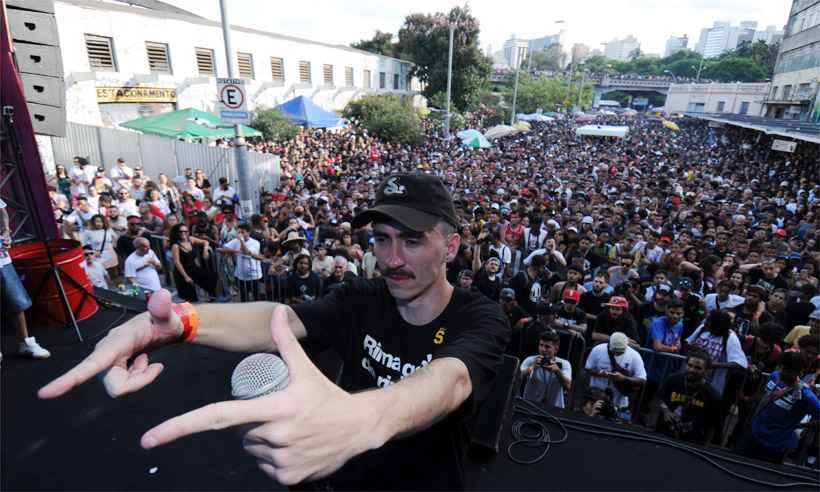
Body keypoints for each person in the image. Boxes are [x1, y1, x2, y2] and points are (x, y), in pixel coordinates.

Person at [39, 173, 509, 491]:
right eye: (381, 240)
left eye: (411, 241)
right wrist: (178, 322)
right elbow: (277, 319)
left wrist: (365, 420)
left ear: (451, 246)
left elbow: (452, 381)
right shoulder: (363, 297)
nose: (391, 259)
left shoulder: (481, 317)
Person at [735, 351, 820, 464]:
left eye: (788, 370)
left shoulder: (806, 394)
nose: (782, 372)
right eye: (781, 367)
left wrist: (799, 425)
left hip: (775, 445)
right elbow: (763, 396)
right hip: (753, 434)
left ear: (800, 372)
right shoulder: (774, 376)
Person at [1, 198, 50, 359]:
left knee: (16, 301)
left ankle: (26, 343)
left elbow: (2, 211)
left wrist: (6, 232)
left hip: (2, 259)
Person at [656, 348, 721, 445]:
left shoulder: (712, 395)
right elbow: (659, 397)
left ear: (707, 371)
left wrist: (705, 446)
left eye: (698, 368)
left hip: (691, 443)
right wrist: (665, 410)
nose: (691, 370)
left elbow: (712, 424)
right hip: (663, 434)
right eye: (689, 365)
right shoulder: (673, 379)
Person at [585, 332, 647, 419]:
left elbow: (642, 380)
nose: (616, 354)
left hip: (619, 402)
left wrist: (624, 378)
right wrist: (599, 373)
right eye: (614, 351)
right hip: (596, 396)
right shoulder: (598, 349)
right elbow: (588, 368)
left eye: (620, 352)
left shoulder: (635, 356)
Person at [519, 329, 572, 408]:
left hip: (555, 409)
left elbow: (568, 386)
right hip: (530, 406)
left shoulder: (564, 364)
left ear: (556, 349)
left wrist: (557, 371)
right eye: (541, 345)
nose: (543, 349)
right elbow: (517, 377)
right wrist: (532, 368)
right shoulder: (530, 360)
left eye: (547, 347)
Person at [169, 223, 217, 303]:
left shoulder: (191, 239)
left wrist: (205, 251)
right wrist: (186, 277)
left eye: (186, 231)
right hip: (182, 272)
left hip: (193, 268)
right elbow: (177, 262)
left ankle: (210, 298)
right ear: (177, 233)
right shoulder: (175, 246)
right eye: (181, 232)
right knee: (191, 298)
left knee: (211, 278)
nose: (183, 233)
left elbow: (205, 242)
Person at [219, 223, 265, 302]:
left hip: (254, 275)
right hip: (241, 276)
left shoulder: (255, 242)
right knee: (244, 298)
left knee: (257, 298)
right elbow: (223, 248)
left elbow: (247, 252)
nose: (240, 234)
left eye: (242, 232)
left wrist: (241, 240)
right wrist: (235, 250)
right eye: (239, 232)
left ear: (248, 232)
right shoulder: (236, 241)